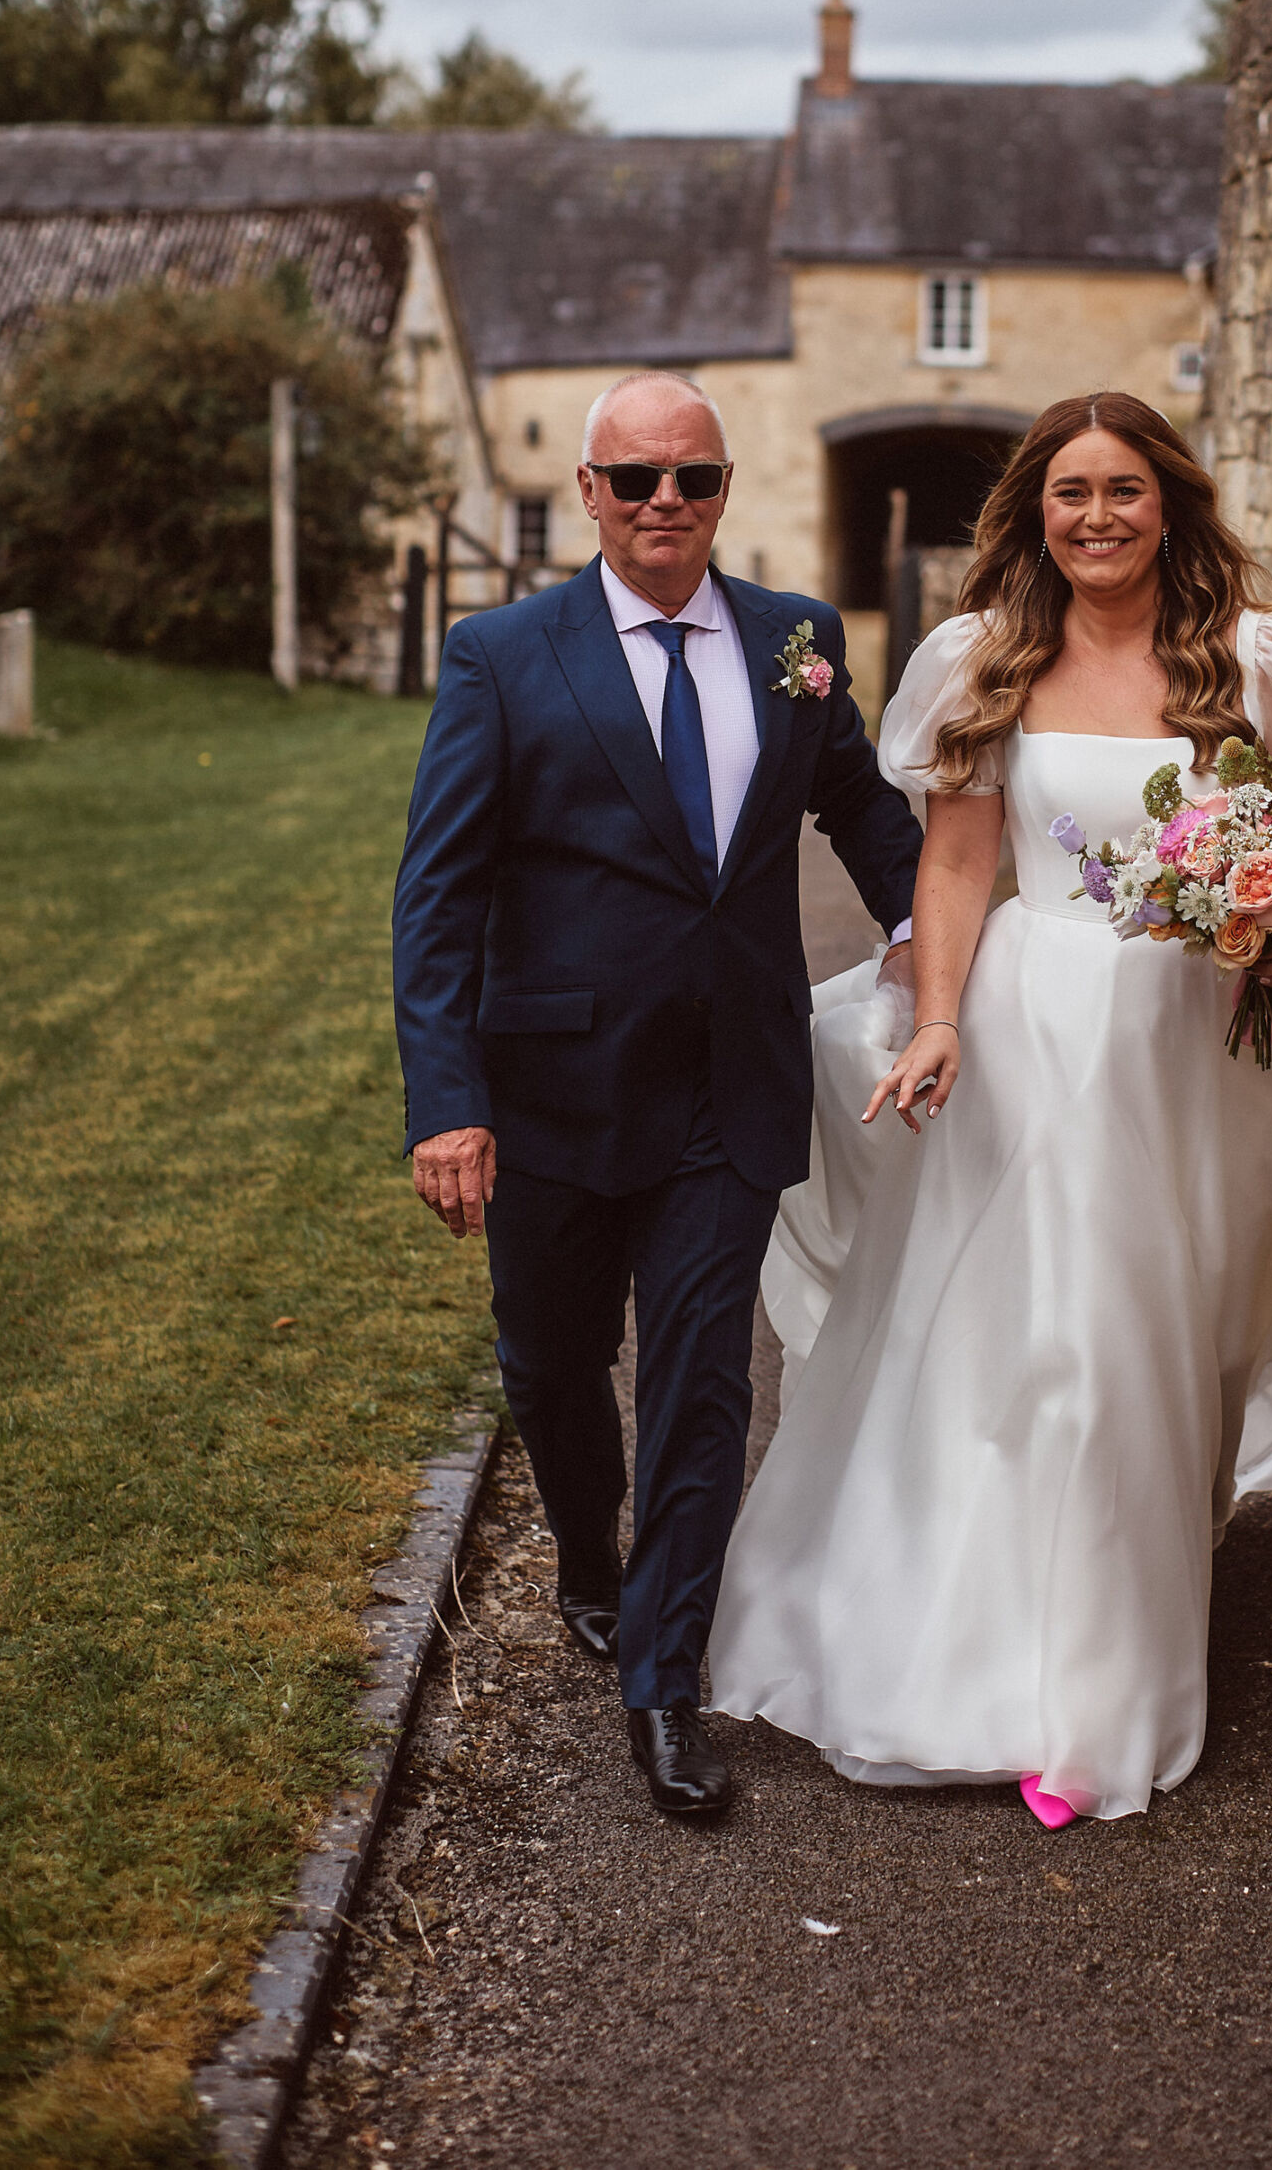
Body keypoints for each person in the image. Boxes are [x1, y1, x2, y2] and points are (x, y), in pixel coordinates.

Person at [708, 392, 1272, 1825]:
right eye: (1069, 495)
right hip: (1024, 1031)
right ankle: (969, 1669)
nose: (1097, 517)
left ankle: (1109, 1688)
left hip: (1188, 1046)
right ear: (1034, 515)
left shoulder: (1252, 659)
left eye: (1123, 490)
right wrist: (933, 1019)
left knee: (1146, 1358)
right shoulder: (985, 659)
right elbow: (959, 863)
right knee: (1016, 1350)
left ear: (1168, 500)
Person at [392, 372, 921, 1817]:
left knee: (700, 1383)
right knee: (555, 1370)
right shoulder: (503, 654)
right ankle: (583, 1549)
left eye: (690, 477)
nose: (664, 503)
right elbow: (437, 897)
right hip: (551, 1091)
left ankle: (668, 1683)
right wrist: (448, 1100)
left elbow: (860, 805)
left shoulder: (795, 641)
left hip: (723, 1092)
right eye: (634, 480)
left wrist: (923, 931)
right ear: (591, 497)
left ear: (725, 488)